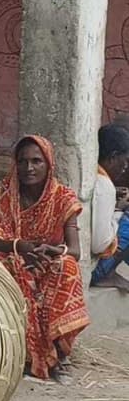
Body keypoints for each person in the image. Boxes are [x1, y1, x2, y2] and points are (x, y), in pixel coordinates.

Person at [0, 135, 89, 381]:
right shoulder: (5, 195)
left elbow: (75, 250)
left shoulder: (63, 198)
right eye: (23, 161)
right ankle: (24, 353)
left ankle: (59, 353)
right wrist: (19, 247)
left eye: (36, 161)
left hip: (46, 260)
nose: (28, 168)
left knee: (67, 266)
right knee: (8, 264)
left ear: (48, 163)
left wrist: (51, 251)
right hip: (16, 257)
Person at [91, 123, 129, 289]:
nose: (125, 167)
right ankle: (108, 274)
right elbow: (99, 244)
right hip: (95, 269)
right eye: (125, 161)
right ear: (113, 157)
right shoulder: (104, 186)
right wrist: (118, 211)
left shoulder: (93, 175)